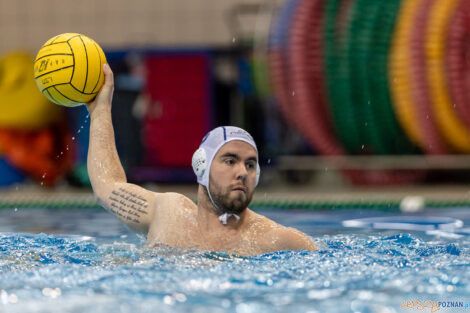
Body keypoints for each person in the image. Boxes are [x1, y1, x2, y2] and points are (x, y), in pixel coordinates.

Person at [87, 64, 316, 256]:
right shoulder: (167, 213)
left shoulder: (277, 240)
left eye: (250, 164)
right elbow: (106, 187)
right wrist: (100, 110)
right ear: (201, 166)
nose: (242, 172)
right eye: (230, 160)